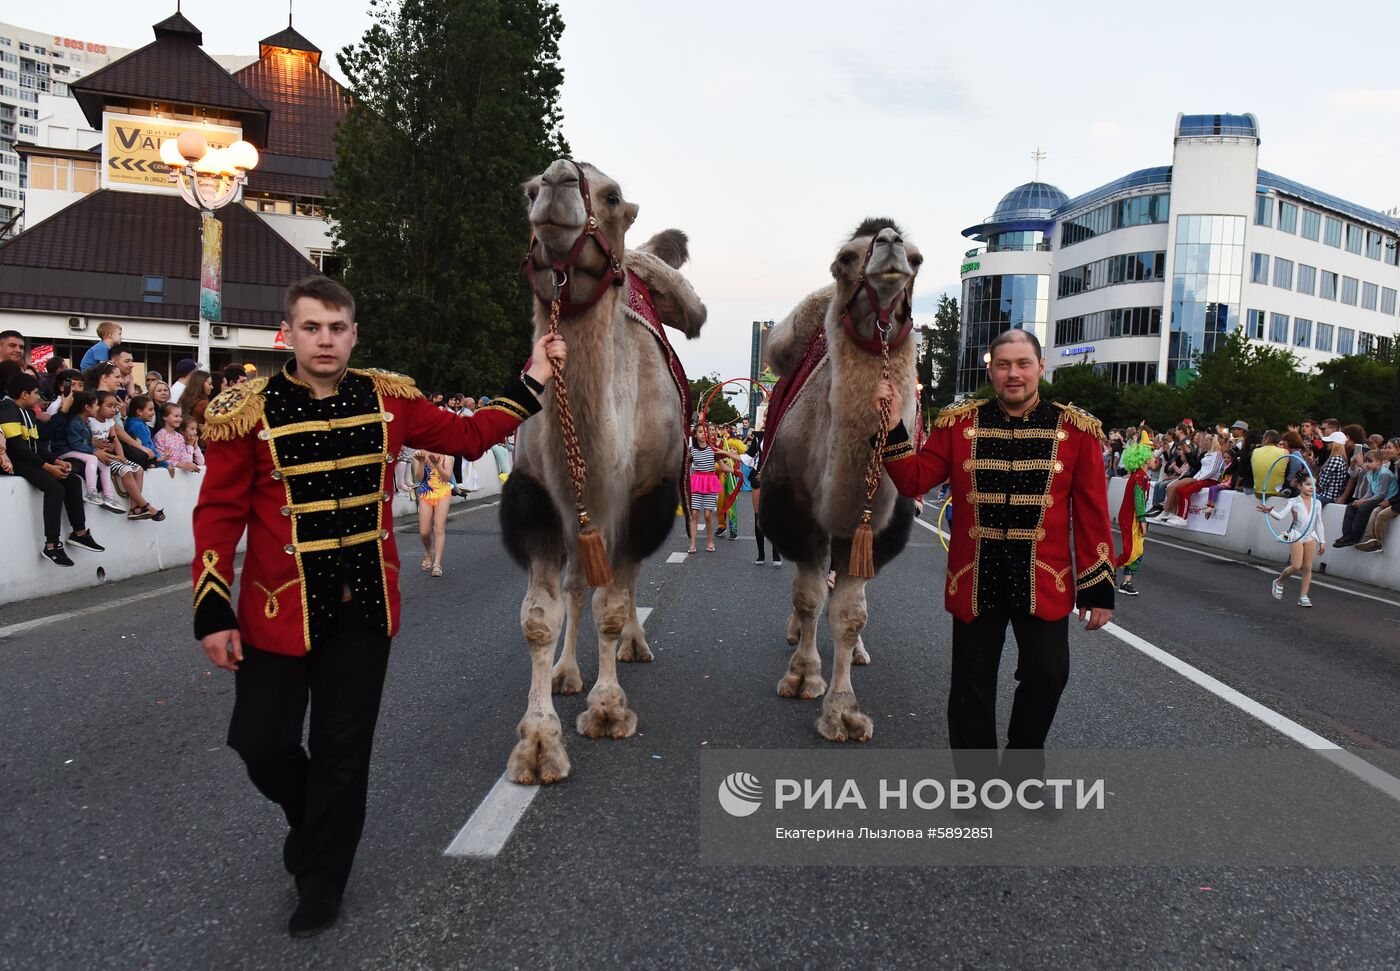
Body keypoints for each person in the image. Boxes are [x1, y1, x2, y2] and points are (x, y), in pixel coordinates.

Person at [191, 274, 566, 938]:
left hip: (364, 605)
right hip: (278, 608)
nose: (325, 339)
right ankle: (313, 819)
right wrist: (212, 607)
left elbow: (472, 434)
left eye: (337, 327)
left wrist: (533, 375)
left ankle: (322, 879)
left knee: (343, 748)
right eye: (311, 327)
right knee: (260, 740)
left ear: (353, 333)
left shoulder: (387, 398)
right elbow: (218, 514)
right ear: (290, 334)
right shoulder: (244, 411)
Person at [873, 328, 1115, 787]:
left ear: (1041, 367)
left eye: (1023, 364)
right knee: (970, 686)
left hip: (1044, 581)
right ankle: (975, 783)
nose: (1013, 374)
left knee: (1048, 675)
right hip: (974, 577)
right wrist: (891, 427)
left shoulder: (1076, 431)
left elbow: (1091, 515)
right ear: (991, 369)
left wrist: (1098, 589)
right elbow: (914, 479)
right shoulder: (958, 424)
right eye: (1003, 365)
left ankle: (1024, 775)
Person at [1, 371, 105, 565]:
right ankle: (52, 545)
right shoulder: (8, 410)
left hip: (30, 459)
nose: (39, 397)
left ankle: (79, 532)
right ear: (24, 394)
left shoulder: (27, 411)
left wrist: (55, 460)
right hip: (16, 463)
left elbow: (37, 444)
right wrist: (48, 467)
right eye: (35, 393)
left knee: (73, 480)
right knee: (55, 488)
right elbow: (17, 448)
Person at [90, 390, 162, 520]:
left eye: (114, 406)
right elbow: (88, 441)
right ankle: (145, 505)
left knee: (138, 469)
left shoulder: (110, 422)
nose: (114, 410)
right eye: (110, 406)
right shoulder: (90, 421)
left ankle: (135, 508)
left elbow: (115, 439)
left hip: (114, 456)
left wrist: (121, 456)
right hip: (102, 457)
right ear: (97, 406)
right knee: (127, 470)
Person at [1258, 473, 1325, 607]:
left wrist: (1323, 541)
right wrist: (1269, 511)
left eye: (1314, 485)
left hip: (1310, 536)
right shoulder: (1293, 501)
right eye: (1307, 484)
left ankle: (1304, 596)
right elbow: (1280, 516)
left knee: (1307, 567)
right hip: (1297, 535)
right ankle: (1279, 581)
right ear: (1300, 486)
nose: (1311, 487)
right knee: (1296, 566)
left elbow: (1319, 522)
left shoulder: (1317, 502)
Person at [1335, 450, 1397, 548]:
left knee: (1363, 508)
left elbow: (1381, 494)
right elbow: (1369, 492)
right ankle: (1346, 536)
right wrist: (1360, 500)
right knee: (1351, 506)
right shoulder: (1370, 473)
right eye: (1366, 461)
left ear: (1378, 461)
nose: (1367, 464)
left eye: (1370, 461)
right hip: (1376, 497)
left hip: (1385, 499)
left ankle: (1355, 537)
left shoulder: (1384, 474)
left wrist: (1363, 502)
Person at [1115, 442, 1152, 596]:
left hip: (1133, 517)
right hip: (1132, 518)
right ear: (1144, 459)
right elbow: (1139, 500)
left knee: (1138, 551)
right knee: (1131, 552)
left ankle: (1126, 582)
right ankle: (1106, 568)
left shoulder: (1140, 475)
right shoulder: (1140, 477)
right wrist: (1142, 520)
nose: (1153, 459)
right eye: (1150, 456)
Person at [413, 450, 453, 576]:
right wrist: (421, 463)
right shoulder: (418, 454)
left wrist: (437, 465)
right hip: (425, 493)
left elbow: (447, 477)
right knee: (424, 532)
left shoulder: (448, 455)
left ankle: (437, 564)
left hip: (443, 493)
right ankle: (429, 552)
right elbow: (419, 478)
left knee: (439, 529)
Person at [154, 402, 202, 474]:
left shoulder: (180, 437)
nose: (179, 419)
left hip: (181, 475)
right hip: (165, 474)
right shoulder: (160, 436)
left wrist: (190, 446)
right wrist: (181, 465)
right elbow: (161, 459)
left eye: (180, 416)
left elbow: (186, 460)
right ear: (165, 417)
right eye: (176, 416)